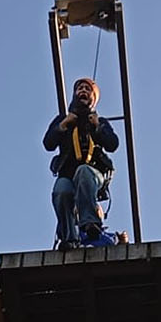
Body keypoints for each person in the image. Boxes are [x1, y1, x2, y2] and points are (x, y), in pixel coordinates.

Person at [43, 77, 119, 249]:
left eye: (88, 89)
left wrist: (98, 126)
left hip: (92, 173)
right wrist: (63, 125)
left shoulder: (99, 121)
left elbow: (112, 144)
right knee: (61, 190)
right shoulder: (64, 120)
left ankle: (91, 223)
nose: (83, 91)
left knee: (84, 172)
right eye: (80, 88)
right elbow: (48, 143)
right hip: (68, 174)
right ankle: (69, 238)